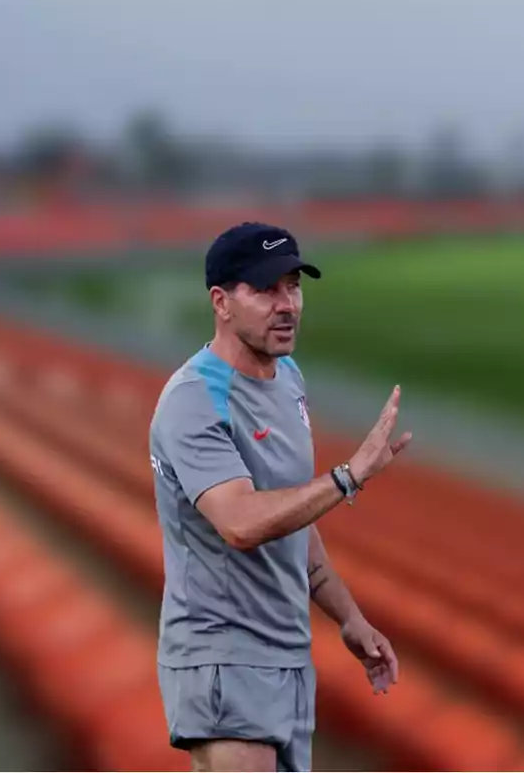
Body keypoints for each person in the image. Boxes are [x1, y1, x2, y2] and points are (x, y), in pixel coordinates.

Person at [148, 222, 410, 772]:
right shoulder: (195, 400)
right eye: (266, 290)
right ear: (221, 302)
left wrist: (348, 616)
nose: (287, 304)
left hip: (286, 656)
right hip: (222, 657)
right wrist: (348, 477)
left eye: (293, 285)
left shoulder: (287, 378)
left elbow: (290, 515)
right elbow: (241, 522)